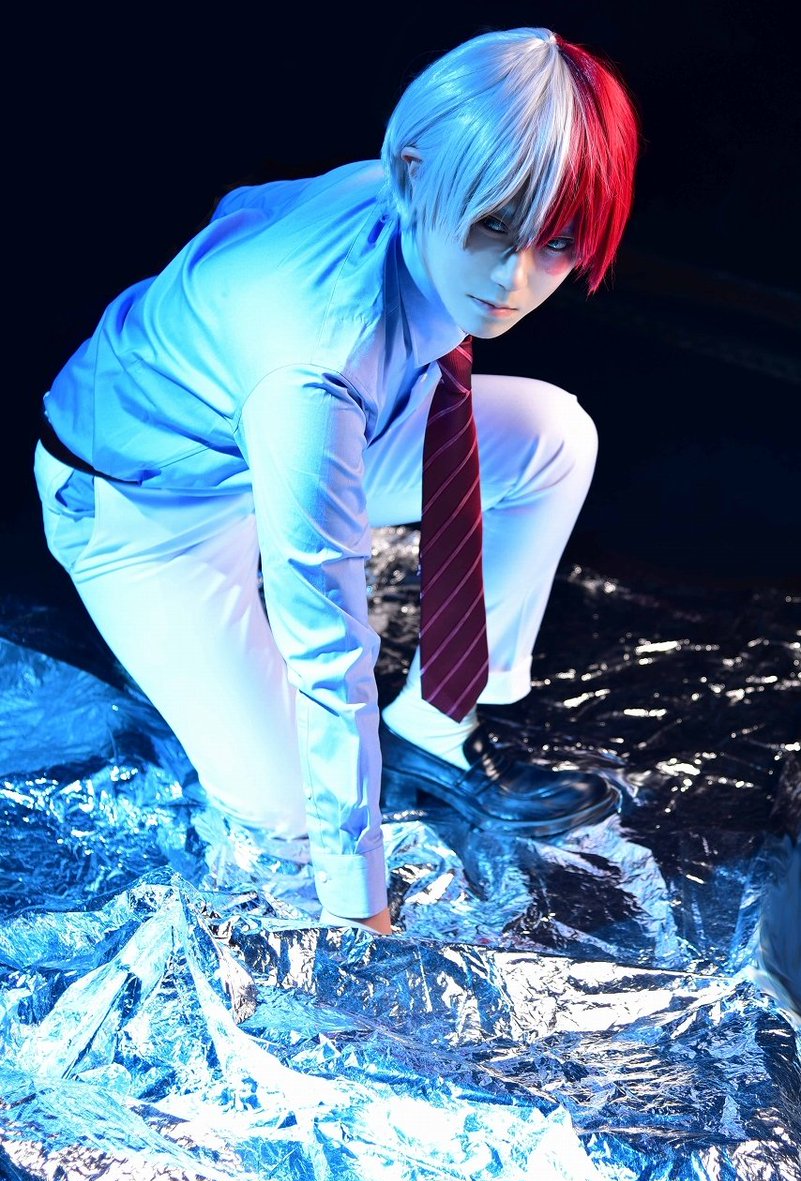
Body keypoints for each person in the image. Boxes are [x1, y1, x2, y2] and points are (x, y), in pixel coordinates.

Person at [34, 27, 640, 936]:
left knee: (553, 439)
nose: (513, 279)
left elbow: (243, 209)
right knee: (289, 832)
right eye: (491, 227)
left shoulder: (406, 203)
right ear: (412, 174)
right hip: (147, 510)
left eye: (554, 243)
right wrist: (360, 903)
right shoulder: (313, 369)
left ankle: (433, 727)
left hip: (280, 429)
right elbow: (327, 649)